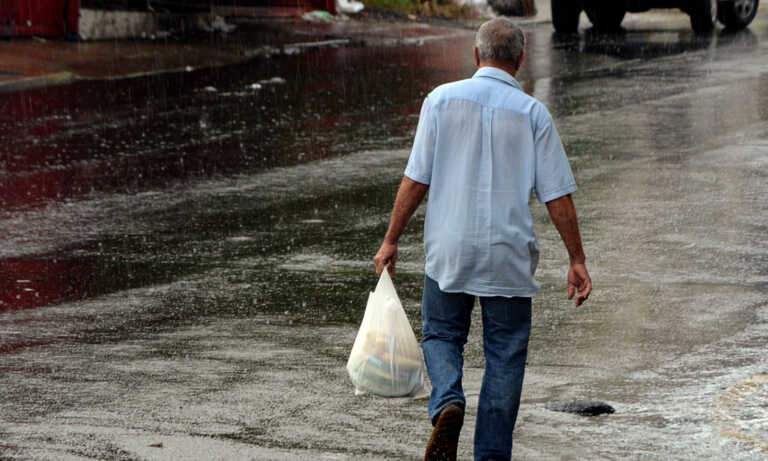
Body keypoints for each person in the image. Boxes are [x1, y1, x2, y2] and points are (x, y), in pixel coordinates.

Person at [373, 18, 592, 461]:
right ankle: (491, 455)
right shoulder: (533, 114)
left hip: (449, 249)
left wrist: (391, 239)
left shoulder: (440, 101)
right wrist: (577, 258)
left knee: (440, 335)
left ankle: (448, 400)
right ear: (521, 61)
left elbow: (416, 179)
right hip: (507, 255)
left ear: (476, 56)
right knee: (505, 355)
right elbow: (557, 196)